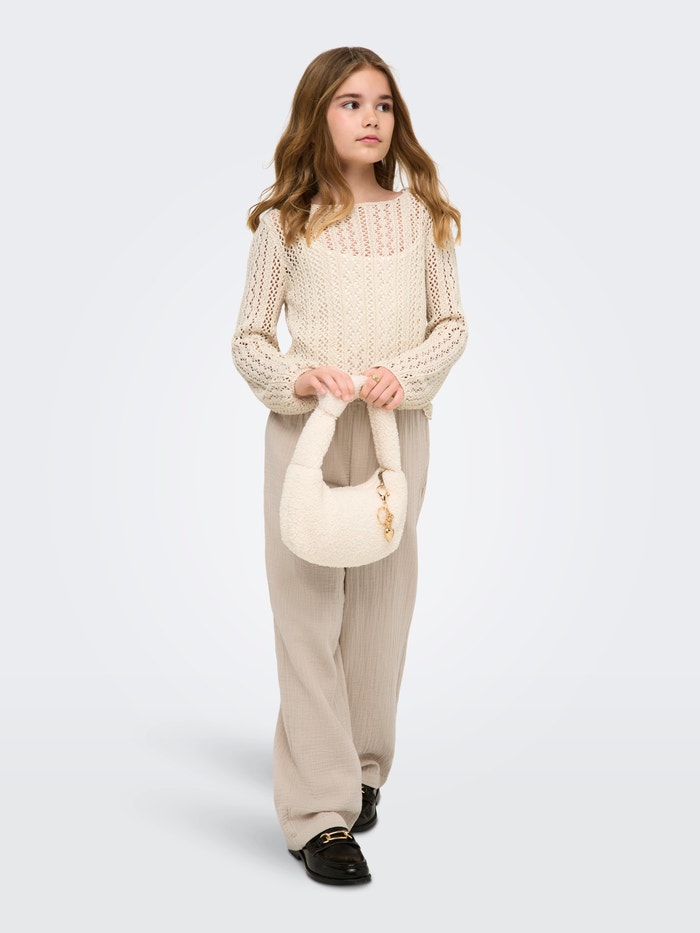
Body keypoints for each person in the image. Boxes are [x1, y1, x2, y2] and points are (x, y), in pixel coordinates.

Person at [231, 46, 467, 886]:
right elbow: (249, 338)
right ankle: (317, 815)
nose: (372, 118)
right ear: (316, 116)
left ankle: (361, 768)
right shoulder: (283, 224)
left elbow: (452, 325)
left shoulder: (423, 217)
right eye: (350, 103)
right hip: (309, 433)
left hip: (396, 430)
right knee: (306, 611)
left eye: (384, 104)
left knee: (380, 609)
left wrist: (407, 371)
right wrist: (297, 377)